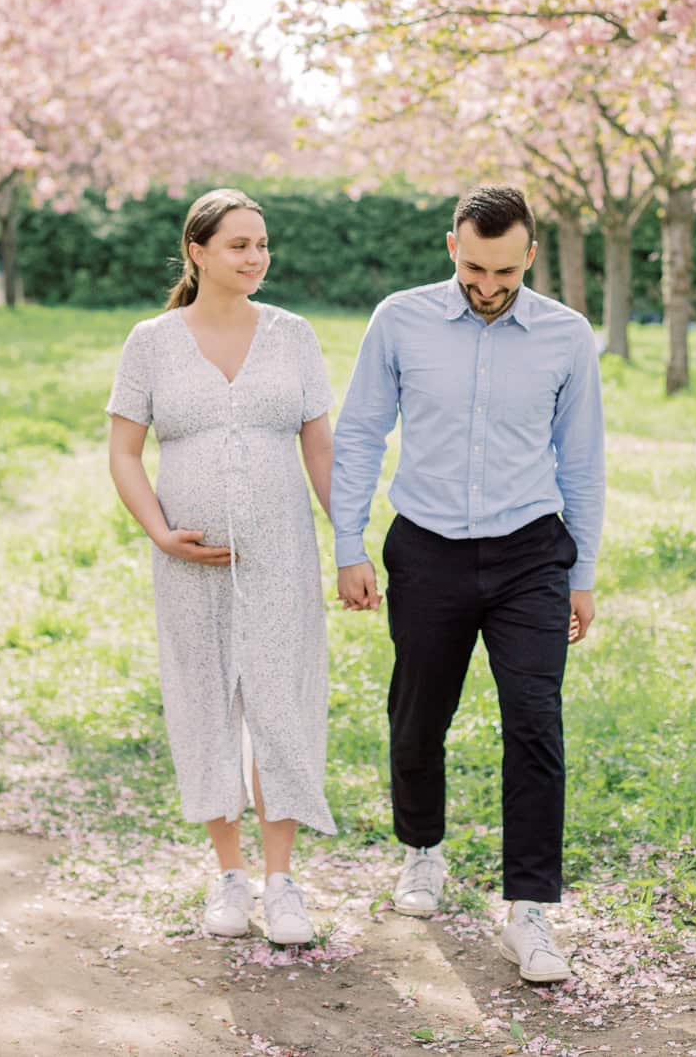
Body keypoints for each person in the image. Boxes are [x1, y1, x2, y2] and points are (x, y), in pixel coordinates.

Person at [331, 185, 605, 984]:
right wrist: (349, 544)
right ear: (452, 245)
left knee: (534, 721)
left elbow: (581, 457)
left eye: (504, 270)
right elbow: (359, 432)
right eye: (474, 266)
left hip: (530, 553)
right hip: (427, 547)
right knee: (418, 714)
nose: (487, 284)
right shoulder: (400, 319)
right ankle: (423, 852)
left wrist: (582, 570)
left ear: (529, 254)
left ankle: (531, 909)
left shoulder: (566, 335)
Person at [106, 187, 335, 946]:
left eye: (263, 243)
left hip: (283, 557)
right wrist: (161, 533)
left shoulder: (294, 335)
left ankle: (283, 882)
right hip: (188, 563)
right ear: (197, 251)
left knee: (282, 703)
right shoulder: (151, 341)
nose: (256, 257)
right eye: (239, 244)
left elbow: (320, 449)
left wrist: (354, 542)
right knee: (205, 701)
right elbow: (124, 451)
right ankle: (229, 876)